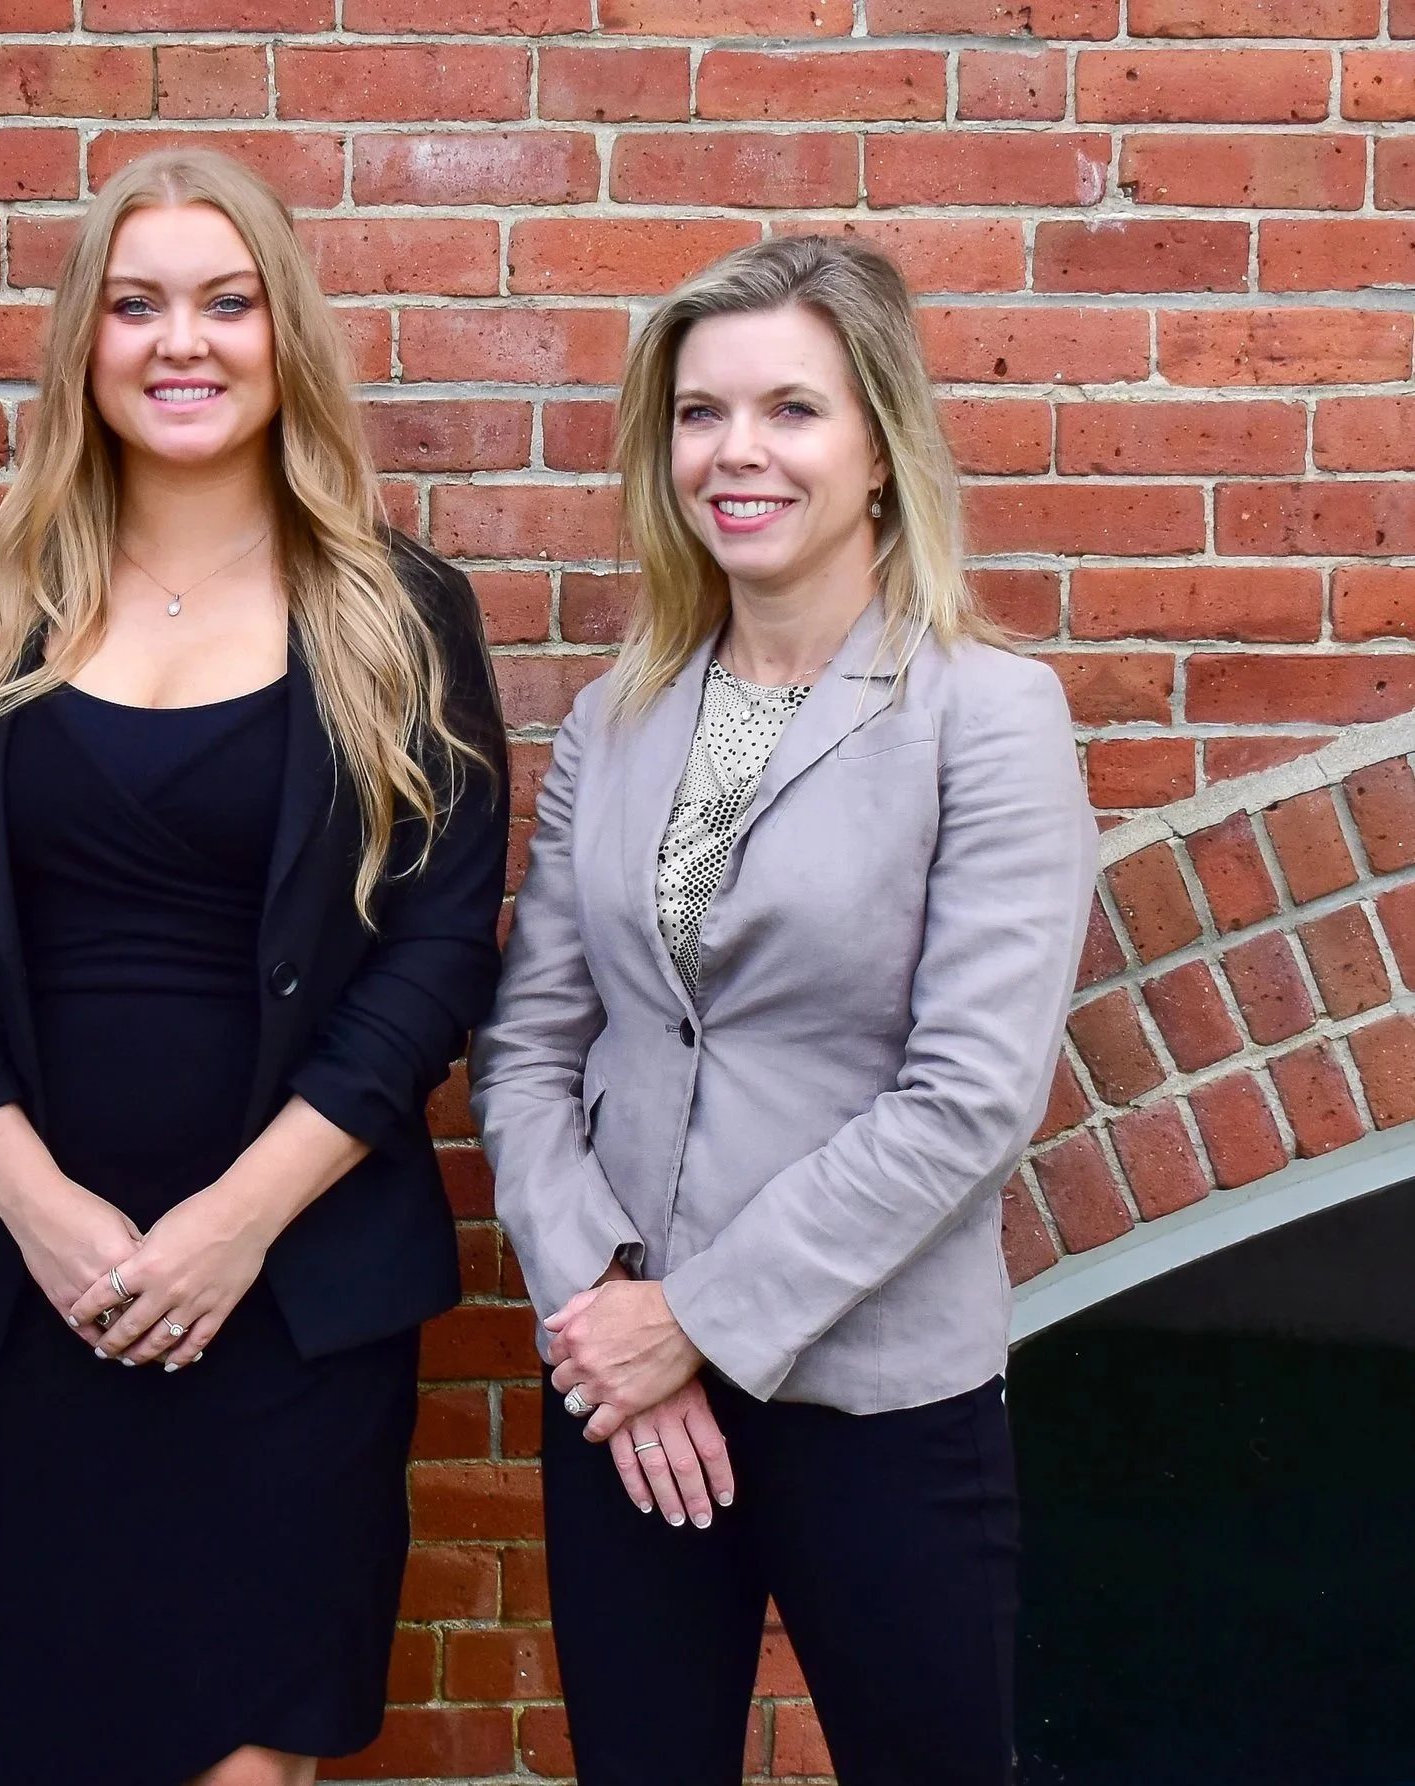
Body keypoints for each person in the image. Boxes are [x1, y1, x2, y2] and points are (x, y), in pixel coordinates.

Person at [0, 150, 507, 1786]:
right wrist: (38, 1205)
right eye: (137, 304)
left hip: (292, 1296)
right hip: (49, 1295)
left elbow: (436, 953)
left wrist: (233, 1224)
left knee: (245, 1760)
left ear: (282, 333)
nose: (183, 341)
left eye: (226, 302)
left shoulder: (402, 615)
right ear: (86, 342)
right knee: (49, 1744)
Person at [470, 235, 1098, 1786]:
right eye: (699, 413)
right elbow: (532, 1043)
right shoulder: (621, 718)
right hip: (623, 1391)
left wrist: (695, 1323)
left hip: (874, 1399)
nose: (735, 452)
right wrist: (608, 1299)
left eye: (790, 411)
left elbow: (970, 1096)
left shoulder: (987, 716)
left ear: (881, 446)